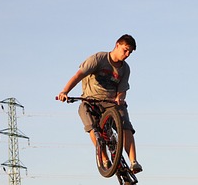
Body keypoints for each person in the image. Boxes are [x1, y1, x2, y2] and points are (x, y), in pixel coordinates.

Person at [57, 34, 142, 173]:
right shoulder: (99, 58)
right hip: (91, 100)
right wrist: (64, 91)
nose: (127, 54)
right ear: (117, 45)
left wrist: (120, 97)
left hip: (111, 102)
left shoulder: (125, 68)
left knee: (126, 126)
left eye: (130, 52)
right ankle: (104, 159)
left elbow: (122, 90)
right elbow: (78, 75)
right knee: (92, 127)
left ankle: (134, 162)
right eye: (125, 50)